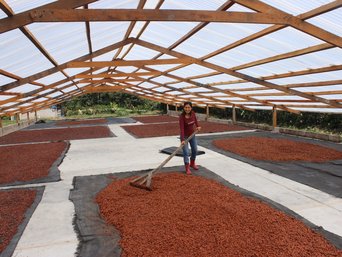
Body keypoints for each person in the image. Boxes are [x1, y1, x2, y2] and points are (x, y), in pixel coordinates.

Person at [179, 101, 201, 175]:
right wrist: (182, 140)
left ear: (191, 108)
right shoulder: (181, 117)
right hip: (184, 136)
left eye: (189, 107)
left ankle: (192, 163)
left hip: (192, 135)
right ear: (184, 108)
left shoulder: (193, 113)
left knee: (195, 149)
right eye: (186, 107)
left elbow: (195, 121)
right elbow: (181, 129)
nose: (187, 109)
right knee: (186, 152)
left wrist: (198, 126)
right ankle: (187, 167)